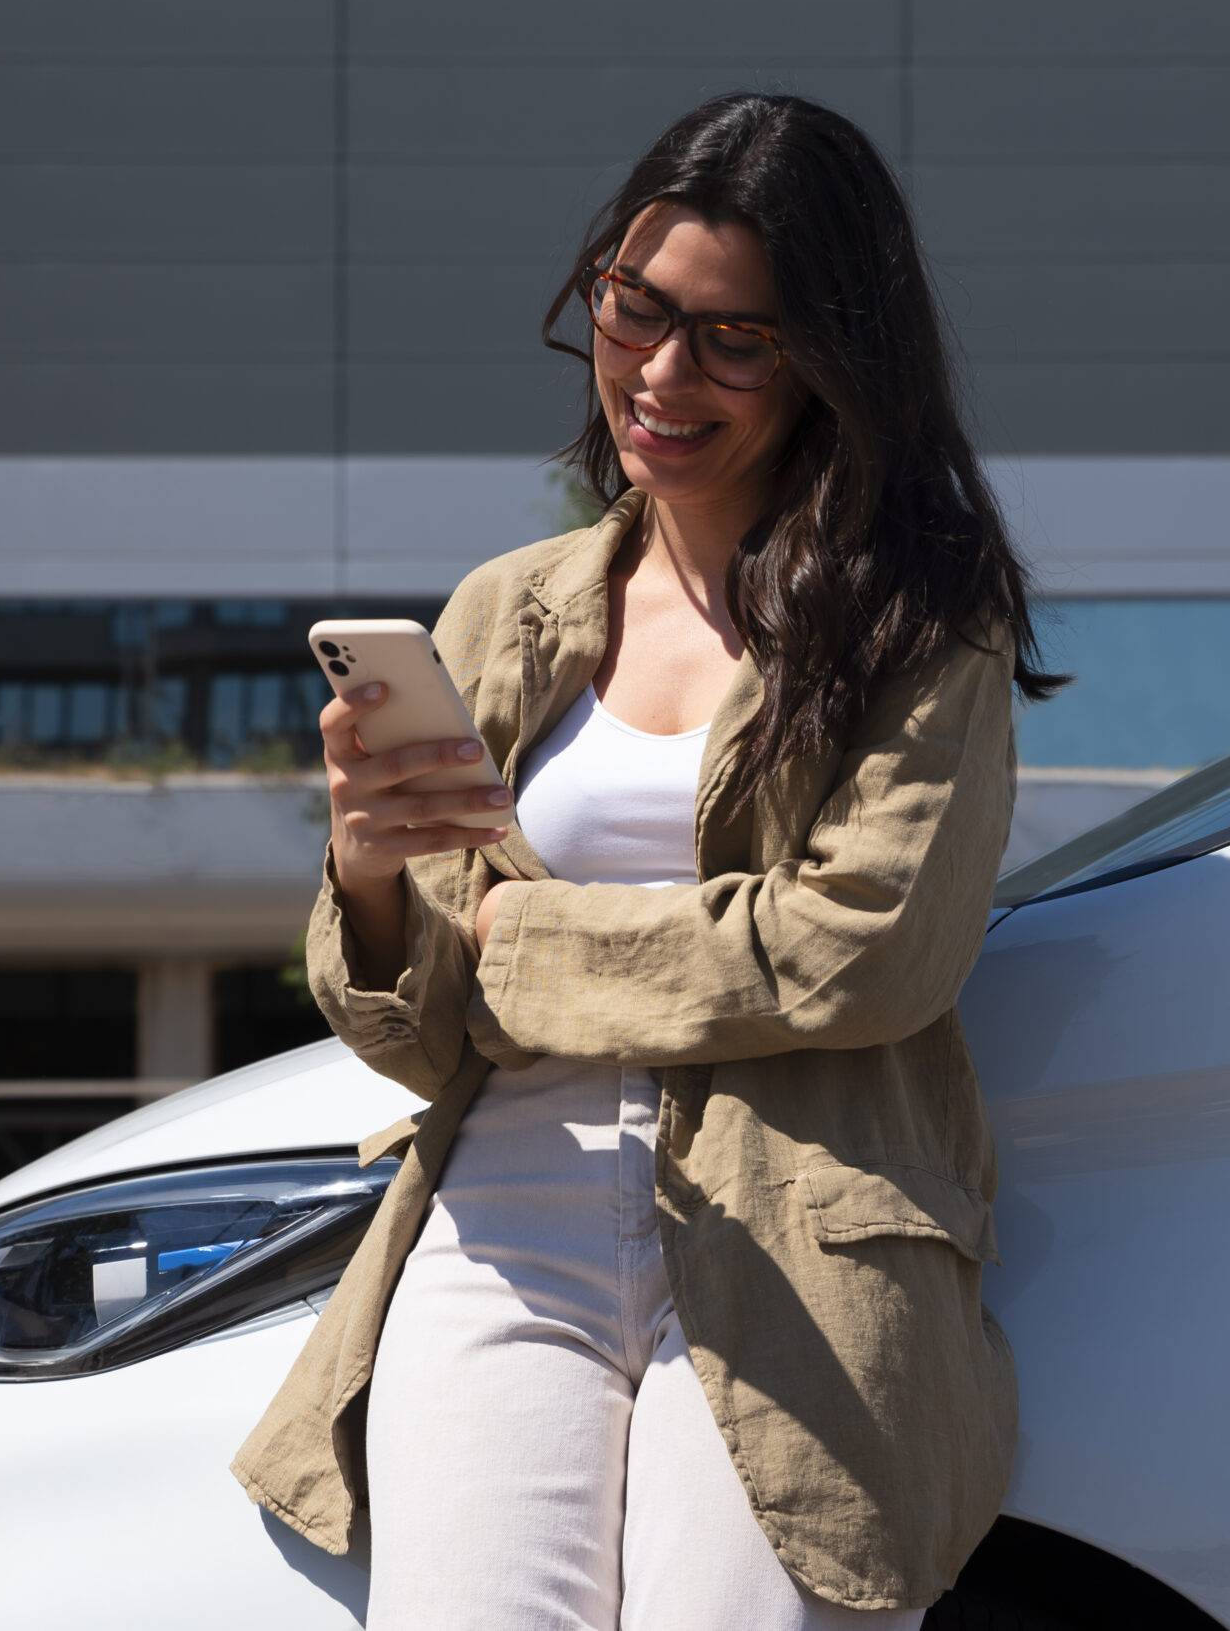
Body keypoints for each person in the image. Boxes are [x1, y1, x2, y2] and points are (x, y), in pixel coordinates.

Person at [233, 92, 1061, 1631]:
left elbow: (863, 946)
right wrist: (363, 874)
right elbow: (420, 1034)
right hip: (507, 1221)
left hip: (801, 1239)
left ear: (832, 357)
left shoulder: (922, 621)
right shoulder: (506, 610)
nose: (663, 375)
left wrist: (524, 951)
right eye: (636, 310)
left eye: (736, 338)